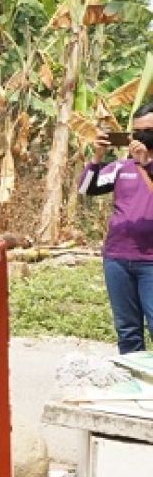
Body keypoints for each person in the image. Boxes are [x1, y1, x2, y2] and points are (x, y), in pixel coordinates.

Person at [80, 104, 153, 354]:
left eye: (149, 131)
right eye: (137, 132)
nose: (142, 137)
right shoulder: (122, 167)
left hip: (151, 262)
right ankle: (137, 386)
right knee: (128, 331)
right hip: (118, 259)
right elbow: (86, 189)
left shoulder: (143, 167)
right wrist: (97, 157)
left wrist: (146, 165)